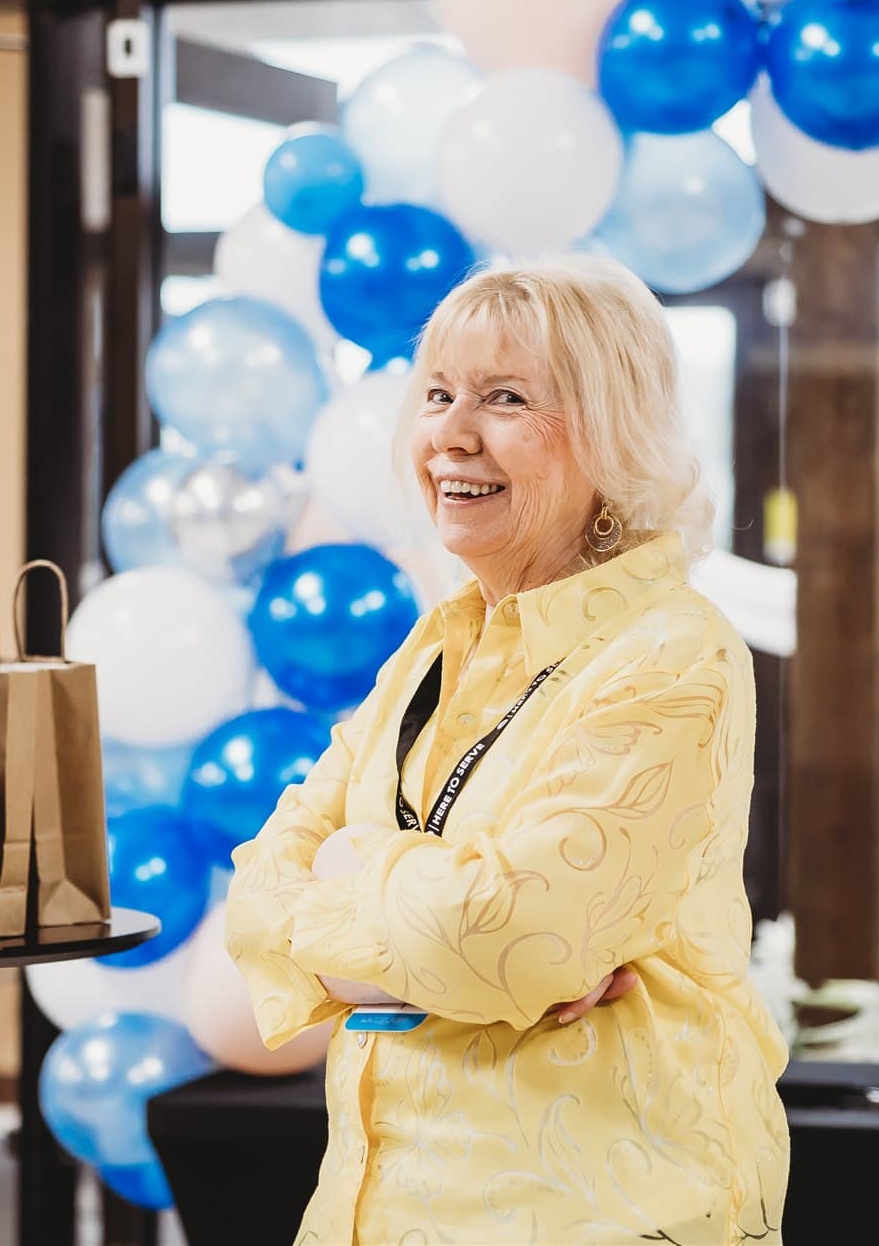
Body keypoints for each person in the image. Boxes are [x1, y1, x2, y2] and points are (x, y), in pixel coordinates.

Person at [223, 256, 789, 1244]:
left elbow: (501, 936)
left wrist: (358, 873)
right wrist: (439, 934)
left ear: (612, 429)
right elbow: (257, 902)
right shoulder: (432, 646)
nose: (450, 433)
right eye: (438, 393)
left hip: (604, 1216)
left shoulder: (671, 652)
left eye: (505, 397)